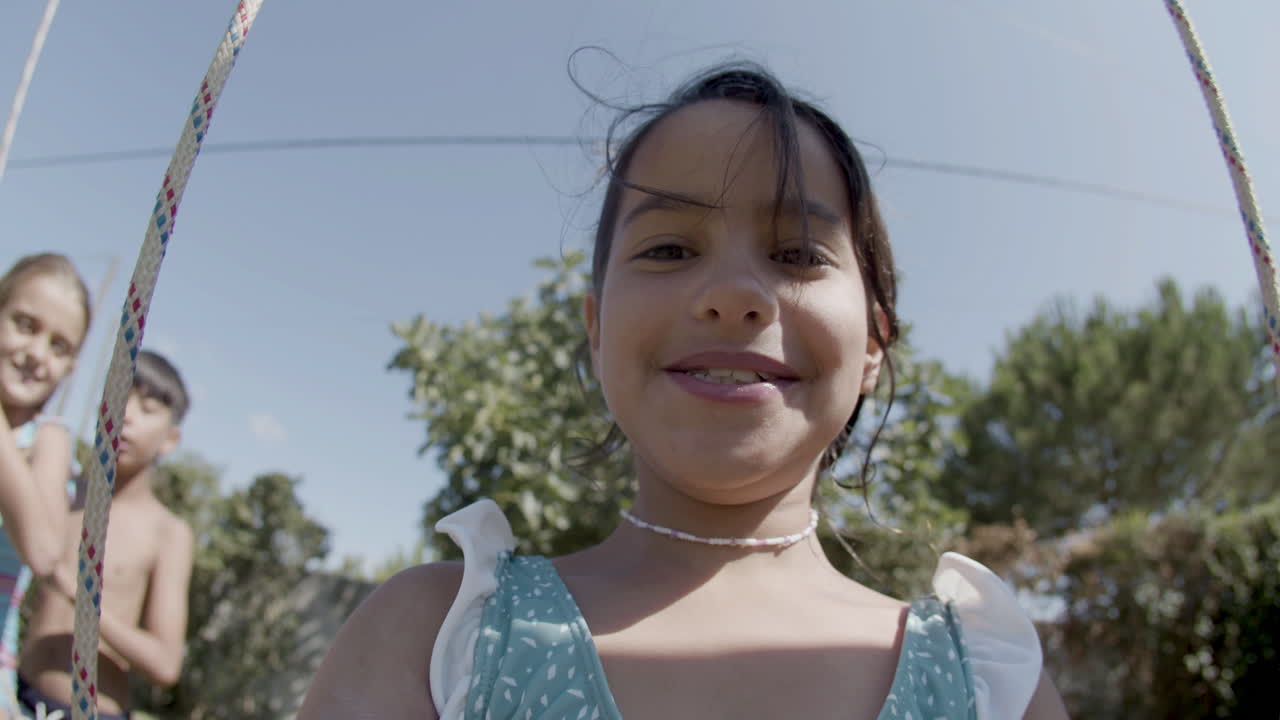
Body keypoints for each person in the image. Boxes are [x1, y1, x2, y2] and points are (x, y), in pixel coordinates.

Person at [299, 63, 1071, 719]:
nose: (733, 293)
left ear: (873, 340)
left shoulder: (992, 684)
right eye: (669, 248)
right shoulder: (436, 638)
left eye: (798, 253)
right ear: (595, 329)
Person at [18, 350, 195, 720]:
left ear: (170, 439)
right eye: (119, 396)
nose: (126, 415)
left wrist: (78, 595)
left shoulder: (168, 533)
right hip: (16, 696)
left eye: (147, 409)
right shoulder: (60, 492)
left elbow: (165, 664)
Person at [0, 253, 91, 719]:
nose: (37, 353)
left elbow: (42, 549)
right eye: (24, 324)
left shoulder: (48, 442)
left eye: (59, 346)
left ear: (71, 365)